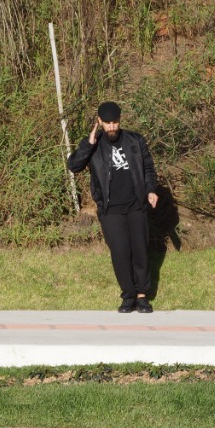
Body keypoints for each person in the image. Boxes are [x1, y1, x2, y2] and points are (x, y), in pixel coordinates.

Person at [67, 101, 160, 313]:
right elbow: (74, 166)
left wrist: (151, 190)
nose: (111, 127)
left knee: (140, 250)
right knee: (119, 252)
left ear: (120, 120)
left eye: (115, 122)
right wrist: (88, 144)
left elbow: (147, 168)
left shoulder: (135, 140)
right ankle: (128, 296)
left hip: (136, 204)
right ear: (99, 122)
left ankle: (142, 295)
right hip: (110, 209)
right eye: (107, 123)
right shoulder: (94, 143)